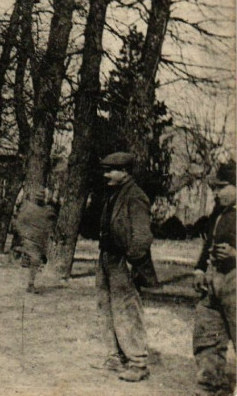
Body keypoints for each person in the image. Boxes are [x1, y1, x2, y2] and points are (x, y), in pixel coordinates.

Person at [91, 152, 153, 382]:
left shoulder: (135, 196)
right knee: (106, 307)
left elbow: (143, 235)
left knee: (126, 309)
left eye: (111, 170)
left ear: (125, 172)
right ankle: (116, 357)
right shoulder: (115, 194)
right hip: (107, 257)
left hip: (122, 261)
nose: (106, 174)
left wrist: (131, 260)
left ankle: (138, 363)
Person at [192, 161, 236, 396]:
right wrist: (200, 269)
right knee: (207, 335)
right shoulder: (219, 211)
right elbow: (208, 242)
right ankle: (210, 387)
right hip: (214, 281)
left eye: (222, 187)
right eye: (214, 188)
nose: (216, 193)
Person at [13, 188, 56, 294]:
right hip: (30, 239)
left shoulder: (46, 210)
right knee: (35, 260)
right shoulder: (29, 208)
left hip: (39, 240)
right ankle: (30, 284)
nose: (39, 198)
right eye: (38, 196)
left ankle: (21, 252)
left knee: (36, 260)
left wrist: (50, 233)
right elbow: (19, 222)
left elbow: (50, 224)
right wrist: (24, 234)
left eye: (41, 197)